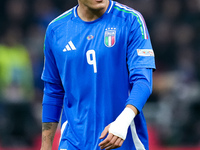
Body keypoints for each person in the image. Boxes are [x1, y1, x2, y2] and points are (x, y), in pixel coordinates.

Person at [40, 0, 156, 150]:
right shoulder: (56, 30)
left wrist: (123, 121)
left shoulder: (131, 20)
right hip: (73, 143)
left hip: (121, 138)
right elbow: (53, 91)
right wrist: (46, 145)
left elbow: (143, 81)